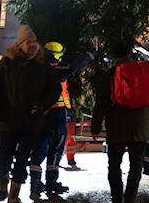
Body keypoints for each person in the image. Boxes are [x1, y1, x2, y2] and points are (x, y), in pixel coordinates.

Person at [0, 25, 62, 203]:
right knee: (4, 156)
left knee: (22, 159)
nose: (33, 45)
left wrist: (42, 105)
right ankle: (3, 178)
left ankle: (14, 195)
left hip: (31, 122)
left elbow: (55, 89)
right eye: (29, 42)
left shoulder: (42, 66)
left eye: (35, 42)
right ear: (20, 44)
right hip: (7, 121)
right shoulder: (7, 63)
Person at [91, 41, 149, 203]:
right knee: (136, 166)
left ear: (114, 56)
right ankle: (130, 199)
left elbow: (100, 102)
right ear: (129, 54)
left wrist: (95, 126)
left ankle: (117, 198)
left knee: (114, 165)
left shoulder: (110, 74)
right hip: (140, 127)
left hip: (117, 127)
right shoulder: (144, 72)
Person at [29, 41, 96, 197]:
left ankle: (36, 184)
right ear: (56, 55)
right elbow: (71, 68)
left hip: (42, 115)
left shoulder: (36, 68)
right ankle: (49, 183)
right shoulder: (52, 68)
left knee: (40, 149)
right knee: (55, 149)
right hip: (55, 114)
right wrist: (90, 54)